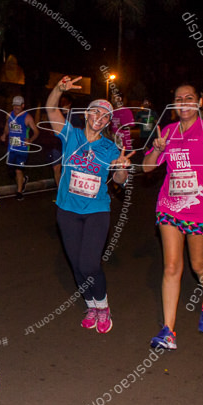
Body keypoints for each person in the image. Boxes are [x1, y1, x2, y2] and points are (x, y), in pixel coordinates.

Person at [141, 83, 203, 350]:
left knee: (198, 266)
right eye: (178, 99)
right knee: (172, 267)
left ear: (199, 102)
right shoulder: (168, 132)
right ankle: (168, 331)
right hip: (170, 206)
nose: (183, 102)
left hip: (202, 209)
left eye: (189, 98)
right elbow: (147, 168)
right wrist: (158, 149)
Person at [44, 76, 132, 334]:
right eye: (96, 111)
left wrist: (121, 170)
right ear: (87, 113)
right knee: (75, 263)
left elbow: (118, 180)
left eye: (105, 115)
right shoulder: (71, 134)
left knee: (89, 264)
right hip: (67, 210)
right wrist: (58, 90)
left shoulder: (110, 148)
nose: (100, 117)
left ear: (107, 122)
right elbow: (51, 109)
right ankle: (90, 304)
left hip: (96, 211)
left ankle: (103, 306)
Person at [1, 96, 39, 200]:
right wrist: (4, 134)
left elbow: (36, 132)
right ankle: (22, 180)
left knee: (18, 170)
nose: (16, 107)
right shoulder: (9, 115)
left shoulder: (27, 117)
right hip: (11, 148)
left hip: (22, 149)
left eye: (18, 105)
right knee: (10, 171)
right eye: (15, 105)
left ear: (23, 105)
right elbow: (7, 127)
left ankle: (19, 192)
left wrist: (30, 140)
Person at [108, 86, 135, 150]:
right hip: (114, 143)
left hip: (124, 143)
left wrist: (122, 127)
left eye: (113, 97)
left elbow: (132, 125)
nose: (112, 99)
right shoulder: (112, 112)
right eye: (111, 97)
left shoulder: (126, 111)